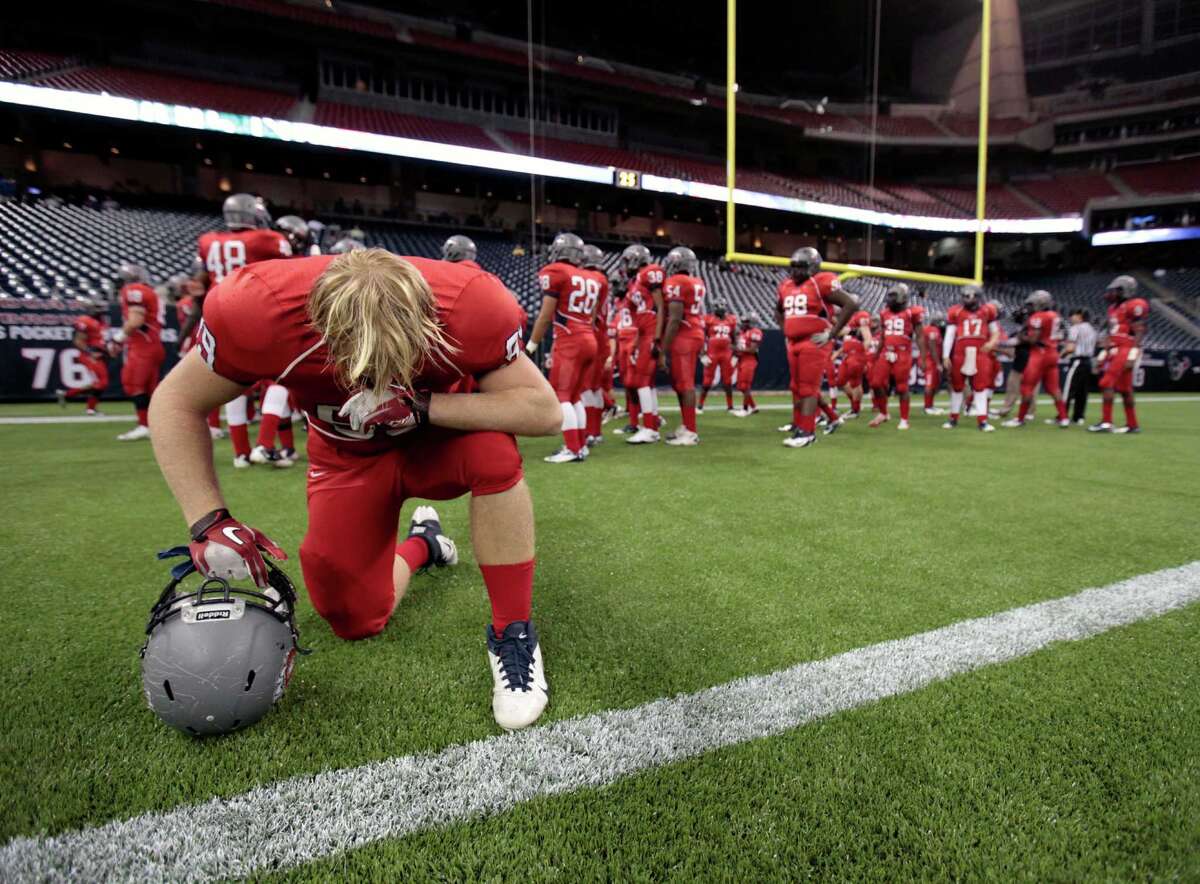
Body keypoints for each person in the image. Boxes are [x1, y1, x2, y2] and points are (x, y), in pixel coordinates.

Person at [148, 249, 560, 731]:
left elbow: (543, 411)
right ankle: (424, 544)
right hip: (347, 460)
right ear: (317, 326)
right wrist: (209, 520)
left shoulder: (472, 304)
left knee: (494, 454)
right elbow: (175, 402)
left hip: (438, 443)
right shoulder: (257, 309)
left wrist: (425, 407)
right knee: (354, 618)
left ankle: (512, 631)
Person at [190, 194, 293, 466]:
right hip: (253, 312)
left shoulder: (207, 241)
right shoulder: (266, 239)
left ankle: (240, 453)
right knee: (280, 379)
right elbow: (287, 274)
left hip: (216, 314)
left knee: (235, 381)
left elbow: (200, 281)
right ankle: (265, 444)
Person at [776, 247, 857, 448]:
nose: (795, 271)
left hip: (814, 341)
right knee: (797, 387)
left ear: (812, 267)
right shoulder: (786, 285)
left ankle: (807, 432)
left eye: (800, 267)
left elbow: (850, 303)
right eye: (793, 267)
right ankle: (829, 418)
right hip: (794, 342)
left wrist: (831, 333)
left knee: (807, 388)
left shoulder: (821, 281)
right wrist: (785, 329)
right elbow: (778, 310)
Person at [528, 232, 598, 463]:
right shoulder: (588, 275)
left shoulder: (556, 271)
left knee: (563, 395)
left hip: (571, 339)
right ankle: (580, 445)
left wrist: (531, 344)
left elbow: (546, 315)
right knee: (575, 395)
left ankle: (573, 449)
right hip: (589, 337)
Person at [1089, 275, 1148, 434]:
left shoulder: (1135, 305)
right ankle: (1132, 424)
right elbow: (1113, 333)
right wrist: (1105, 350)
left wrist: (1132, 354)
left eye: (1115, 290)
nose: (1111, 294)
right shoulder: (1113, 308)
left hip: (1126, 348)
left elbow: (1139, 331)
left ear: (1124, 290)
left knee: (1106, 383)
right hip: (1116, 348)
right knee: (1125, 389)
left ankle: (1107, 422)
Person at [620, 244, 666, 444]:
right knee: (647, 382)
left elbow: (660, 306)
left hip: (652, 333)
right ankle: (652, 422)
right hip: (644, 333)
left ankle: (649, 428)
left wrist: (656, 338)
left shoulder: (650, 272)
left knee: (642, 382)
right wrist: (636, 343)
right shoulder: (635, 282)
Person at [660, 246, 706, 446]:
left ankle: (691, 432)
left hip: (684, 335)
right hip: (694, 331)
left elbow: (675, 318)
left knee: (685, 384)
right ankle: (687, 426)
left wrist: (662, 349)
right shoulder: (697, 281)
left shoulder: (676, 281)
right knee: (680, 383)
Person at [114, 264, 166, 441]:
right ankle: (153, 424)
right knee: (148, 388)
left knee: (134, 385)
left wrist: (118, 338)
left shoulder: (134, 290)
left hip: (143, 345)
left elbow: (136, 320)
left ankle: (144, 425)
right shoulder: (147, 290)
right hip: (152, 344)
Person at [1004, 290, 1070, 428]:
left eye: (1033, 304)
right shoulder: (1055, 315)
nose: (1030, 307)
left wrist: (1021, 336)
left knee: (1027, 387)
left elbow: (1033, 339)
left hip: (1039, 354)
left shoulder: (1038, 316)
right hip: (1052, 353)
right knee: (1054, 389)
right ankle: (1064, 418)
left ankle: (1020, 419)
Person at [868, 284, 926, 431]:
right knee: (876, 383)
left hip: (902, 352)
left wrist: (923, 357)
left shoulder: (912, 313)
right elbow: (883, 336)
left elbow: (919, 336)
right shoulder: (884, 313)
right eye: (890, 295)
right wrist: (875, 355)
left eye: (894, 296)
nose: (890, 299)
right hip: (886, 352)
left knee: (902, 387)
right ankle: (883, 413)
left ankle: (904, 419)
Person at [942, 284, 999, 432]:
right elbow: (949, 335)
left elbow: (995, 332)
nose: (968, 300)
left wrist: (991, 343)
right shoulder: (956, 311)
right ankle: (953, 418)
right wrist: (945, 355)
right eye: (965, 296)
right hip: (961, 352)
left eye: (971, 296)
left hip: (980, 353)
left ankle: (982, 421)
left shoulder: (988, 310)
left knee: (980, 388)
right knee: (957, 387)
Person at [580, 244, 611, 446]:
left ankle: (590, 432)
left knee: (585, 388)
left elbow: (590, 312)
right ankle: (596, 431)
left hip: (592, 334)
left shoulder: (592, 278)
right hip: (601, 336)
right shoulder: (602, 278)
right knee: (595, 388)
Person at [58, 297, 111, 415]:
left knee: (101, 383)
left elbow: (101, 340)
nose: (100, 310)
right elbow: (78, 340)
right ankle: (90, 408)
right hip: (89, 355)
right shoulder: (85, 320)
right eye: (97, 308)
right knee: (102, 382)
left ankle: (68, 395)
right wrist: (90, 352)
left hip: (99, 355)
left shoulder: (102, 322)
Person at [699, 299, 738, 413]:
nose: (720, 308)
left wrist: (736, 354)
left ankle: (730, 406)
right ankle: (700, 405)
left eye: (722, 306)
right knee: (707, 381)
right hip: (712, 353)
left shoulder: (731, 319)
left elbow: (734, 337)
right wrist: (702, 354)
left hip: (726, 353)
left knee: (728, 381)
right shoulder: (708, 319)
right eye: (718, 306)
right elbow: (702, 337)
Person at [834, 307, 873, 419]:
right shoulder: (849, 319)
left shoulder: (861, 315)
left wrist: (862, 354)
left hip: (856, 354)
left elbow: (868, 338)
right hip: (847, 355)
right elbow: (844, 335)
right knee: (841, 381)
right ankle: (855, 405)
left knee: (855, 383)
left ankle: (855, 410)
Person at [1063, 308, 1097, 425]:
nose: (1071, 318)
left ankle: (1063, 416)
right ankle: (1079, 417)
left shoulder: (1075, 328)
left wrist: (1061, 354)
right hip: (1088, 361)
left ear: (1080, 316)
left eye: (1073, 315)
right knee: (1082, 391)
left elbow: (1070, 348)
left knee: (1069, 389)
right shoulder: (1092, 329)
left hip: (1077, 360)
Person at [732, 312, 763, 415]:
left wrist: (738, 348)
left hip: (749, 360)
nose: (743, 323)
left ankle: (745, 409)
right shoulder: (743, 333)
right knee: (741, 386)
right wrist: (736, 354)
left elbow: (753, 350)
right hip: (742, 359)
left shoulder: (755, 332)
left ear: (751, 323)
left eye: (746, 322)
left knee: (745, 386)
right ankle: (753, 407)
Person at [922, 315, 944, 415]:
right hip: (930, 360)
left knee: (934, 384)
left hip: (929, 359)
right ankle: (927, 407)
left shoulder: (928, 329)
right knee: (930, 385)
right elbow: (932, 347)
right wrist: (938, 363)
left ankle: (930, 405)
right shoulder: (932, 330)